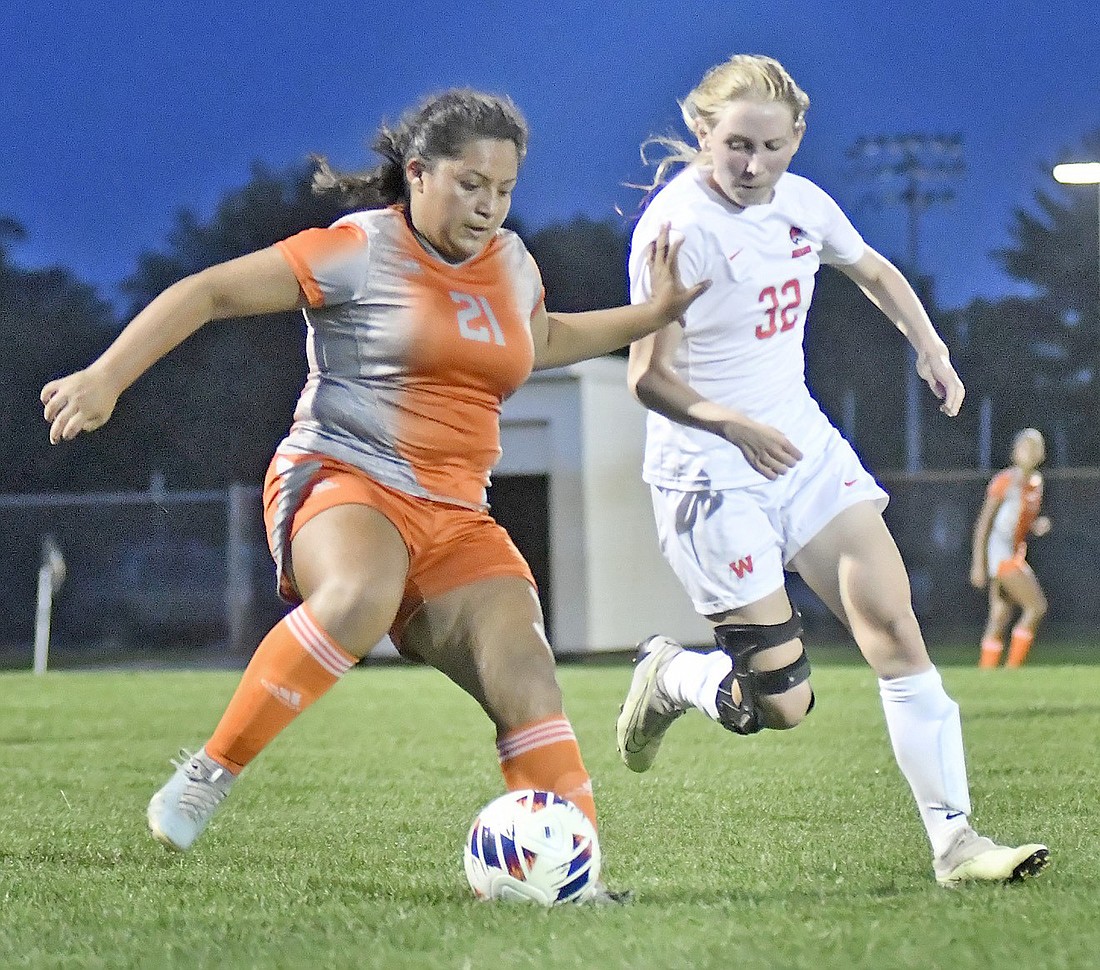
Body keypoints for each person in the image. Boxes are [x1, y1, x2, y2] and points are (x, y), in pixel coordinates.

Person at [41, 88, 706, 901]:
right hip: (340, 476)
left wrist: (656, 312)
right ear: (418, 174)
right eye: (470, 185)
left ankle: (574, 878)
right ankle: (211, 772)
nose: (489, 206)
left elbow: (542, 340)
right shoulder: (359, 248)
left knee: (528, 675)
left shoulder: (514, 263)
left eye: (504, 189)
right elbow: (209, 291)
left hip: (458, 514)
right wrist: (105, 377)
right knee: (359, 594)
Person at [613, 54, 1050, 886]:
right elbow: (648, 377)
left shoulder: (804, 202)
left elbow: (874, 270)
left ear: (798, 137)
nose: (754, 165)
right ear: (704, 133)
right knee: (782, 704)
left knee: (893, 623)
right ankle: (672, 674)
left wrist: (931, 347)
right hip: (708, 469)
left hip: (801, 448)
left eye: (772, 147)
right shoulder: (676, 229)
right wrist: (733, 425)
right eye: (736, 145)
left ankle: (956, 845)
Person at [970, 428, 1051, 668]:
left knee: (999, 616)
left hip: (1014, 552)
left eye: (1036, 447)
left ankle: (986, 675)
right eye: (1025, 446)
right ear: (1015, 453)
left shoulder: (1036, 482)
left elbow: (1020, 519)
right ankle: (1012, 669)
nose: (1031, 452)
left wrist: (1036, 525)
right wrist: (978, 564)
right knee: (1036, 607)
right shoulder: (1005, 481)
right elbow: (984, 524)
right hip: (1002, 556)